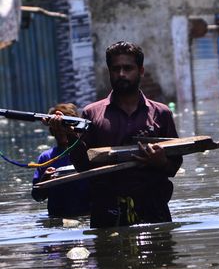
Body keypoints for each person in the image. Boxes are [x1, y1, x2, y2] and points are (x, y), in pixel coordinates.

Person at [49, 41, 183, 228]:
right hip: (107, 213)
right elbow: (82, 166)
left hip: (153, 210)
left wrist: (161, 162)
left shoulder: (161, 113)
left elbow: (174, 167)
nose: (121, 74)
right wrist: (69, 135)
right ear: (109, 72)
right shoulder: (92, 114)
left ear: (141, 71)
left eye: (128, 68)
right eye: (116, 69)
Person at [32, 103, 90, 217]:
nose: (62, 131)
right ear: (52, 131)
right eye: (57, 127)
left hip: (87, 214)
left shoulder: (88, 152)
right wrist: (45, 179)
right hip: (58, 216)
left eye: (65, 127)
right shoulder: (46, 158)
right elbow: (37, 196)